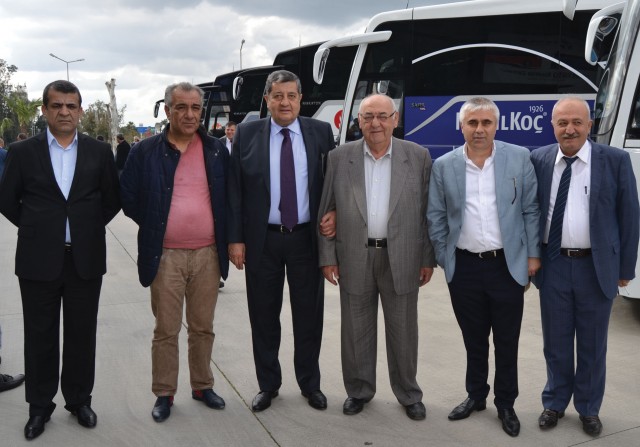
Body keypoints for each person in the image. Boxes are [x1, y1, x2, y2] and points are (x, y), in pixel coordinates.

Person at [0, 80, 121, 440]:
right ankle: (39, 407)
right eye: (57, 105)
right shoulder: (23, 152)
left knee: (82, 334)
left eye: (71, 105)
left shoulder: (100, 152)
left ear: (80, 111)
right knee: (40, 336)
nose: (64, 112)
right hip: (38, 259)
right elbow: (7, 200)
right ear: (45, 110)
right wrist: (39, 228)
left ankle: (79, 400)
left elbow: (111, 199)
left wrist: (84, 228)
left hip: (85, 259)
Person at [426, 97, 540, 437]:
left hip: (506, 266)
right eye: (472, 123)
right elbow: (436, 215)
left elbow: (530, 209)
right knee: (473, 339)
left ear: (496, 125)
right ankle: (476, 395)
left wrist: (532, 255)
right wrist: (444, 256)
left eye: (486, 122)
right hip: (464, 268)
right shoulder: (444, 165)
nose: (479, 129)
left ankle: (505, 403)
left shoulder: (518, 158)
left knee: (507, 341)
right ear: (461, 126)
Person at [318, 94, 435, 420]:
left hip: (403, 257)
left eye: (383, 116)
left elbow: (427, 213)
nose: (376, 123)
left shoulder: (418, 156)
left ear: (395, 119)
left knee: (404, 331)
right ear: (359, 121)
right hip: (354, 254)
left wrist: (427, 258)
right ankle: (358, 390)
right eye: (368, 117)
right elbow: (326, 209)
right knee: (356, 331)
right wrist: (327, 256)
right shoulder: (340, 158)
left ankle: (409, 393)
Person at [120, 82, 230, 423]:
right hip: (165, 255)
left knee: (202, 327)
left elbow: (228, 197)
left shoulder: (215, 150)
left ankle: (202, 386)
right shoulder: (145, 151)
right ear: (168, 111)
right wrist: (158, 222)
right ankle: (164, 393)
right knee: (166, 329)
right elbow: (129, 198)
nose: (189, 114)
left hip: (208, 254)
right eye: (181, 107)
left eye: (195, 108)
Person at [530, 96, 639, 437]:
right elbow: (530, 213)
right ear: (552, 126)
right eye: (562, 123)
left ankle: (589, 409)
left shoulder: (615, 160)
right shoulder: (539, 159)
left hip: (596, 268)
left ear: (589, 125)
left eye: (577, 122)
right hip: (553, 265)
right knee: (556, 342)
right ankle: (554, 402)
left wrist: (626, 268)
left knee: (592, 345)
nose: (570, 129)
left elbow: (630, 216)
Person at [228, 70, 335, 412]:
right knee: (263, 316)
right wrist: (236, 239)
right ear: (267, 100)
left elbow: (332, 182)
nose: (284, 102)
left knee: (308, 316)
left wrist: (334, 212)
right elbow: (235, 190)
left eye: (291, 95)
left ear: (300, 99)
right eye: (277, 96)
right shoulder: (247, 134)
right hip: (263, 242)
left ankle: (310, 384)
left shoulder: (320, 132)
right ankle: (268, 385)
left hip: (306, 240)